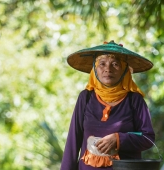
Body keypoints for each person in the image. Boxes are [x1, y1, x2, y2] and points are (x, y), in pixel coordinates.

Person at [60, 40, 155, 170]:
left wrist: (118, 139)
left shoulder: (135, 100)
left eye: (115, 64)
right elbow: (73, 140)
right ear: (94, 69)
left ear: (124, 69)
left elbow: (148, 138)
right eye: (102, 64)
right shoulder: (85, 97)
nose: (107, 69)